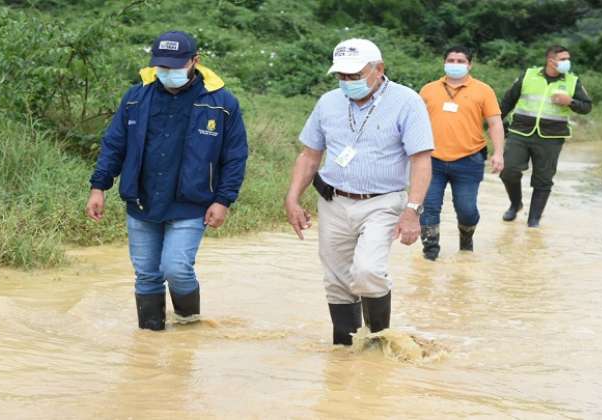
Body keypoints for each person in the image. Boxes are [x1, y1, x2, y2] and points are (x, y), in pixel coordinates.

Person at [85, 31, 248, 331]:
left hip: (191, 203)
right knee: (146, 274)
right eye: (162, 66)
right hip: (142, 201)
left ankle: (188, 331)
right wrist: (99, 186)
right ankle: (150, 338)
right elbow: (114, 144)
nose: (167, 73)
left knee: (176, 268)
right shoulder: (136, 98)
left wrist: (223, 200)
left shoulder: (222, 103)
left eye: (175, 66)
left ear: (195, 61)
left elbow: (235, 156)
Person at [284, 39, 434, 346]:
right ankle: (344, 348)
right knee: (337, 281)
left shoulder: (407, 101)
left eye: (355, 75)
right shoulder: (328, 102)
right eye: (341, 76)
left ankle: (378, 341)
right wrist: (292, 198)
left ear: (379, 69)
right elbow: (310, 155)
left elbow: (421, 160)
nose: (347, 82)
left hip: (382, 203)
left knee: (368, 271)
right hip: (333, 201)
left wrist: (412, 210)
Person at [418, 46, 505, 260]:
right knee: (428, 208)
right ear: (444, 62)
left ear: (470, 64)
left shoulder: (483, 90)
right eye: (451, 60)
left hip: (469, 160)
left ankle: (466, 241)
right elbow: (415, 123)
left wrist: (499, 153)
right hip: (432, 160)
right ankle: (430, 254)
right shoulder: (428, 90)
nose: (455, 64)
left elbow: (494, 123)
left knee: (466, 209)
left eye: (460, 61)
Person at [499, 45, 592, 227]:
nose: (567, 62)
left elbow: (587, 107)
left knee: (543, 179)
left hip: (551, 137)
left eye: (568, 59)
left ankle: (533, 220)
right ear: (551, 61)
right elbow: (508, 101)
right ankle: (515, 204)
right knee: (508, 171)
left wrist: (570, 102)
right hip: (520, 132)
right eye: (563, 59)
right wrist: (495, 124)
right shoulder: (528, 75)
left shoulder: (573, 81)